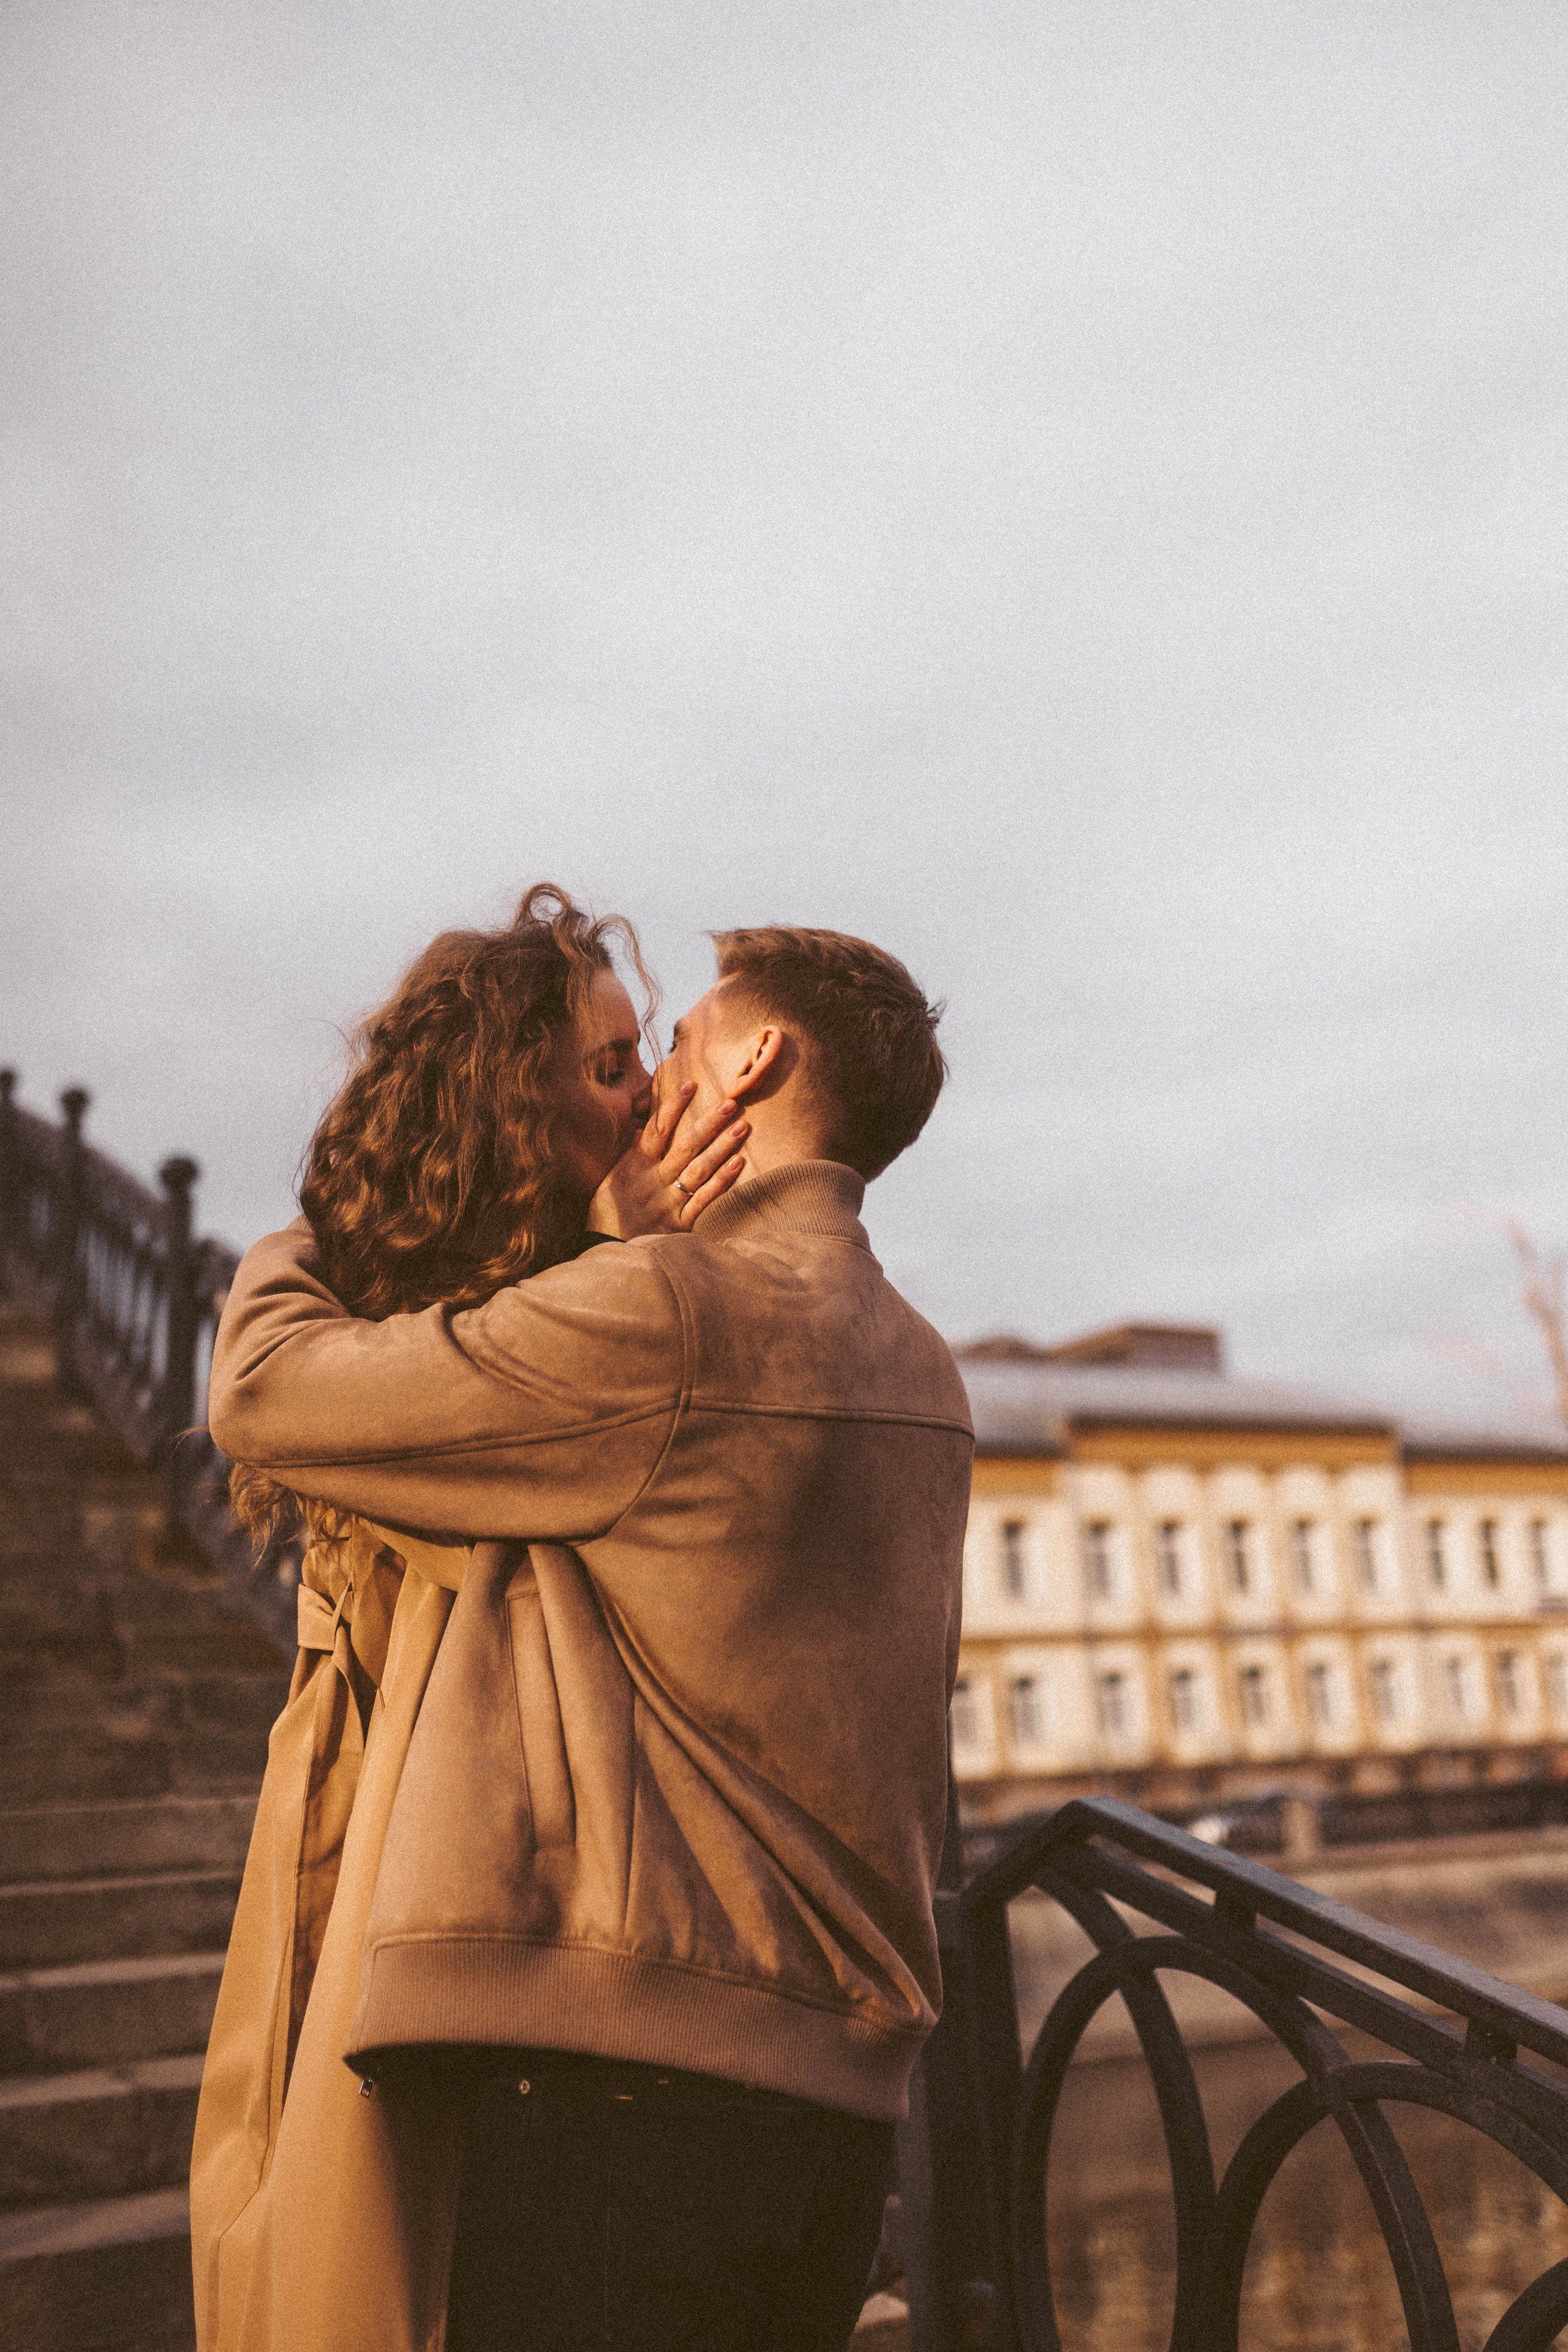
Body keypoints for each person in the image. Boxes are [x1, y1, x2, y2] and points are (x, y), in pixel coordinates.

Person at [203, 915, 973, 2352]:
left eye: (674, 1047)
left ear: (754, 1060)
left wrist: (365, 1188)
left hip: (633, 2096)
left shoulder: (666, 1311)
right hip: (845, 2111)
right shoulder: (925, 1364)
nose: (652, 1083)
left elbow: (262, 1390)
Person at [191, 885, 748, 2352]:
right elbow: (259, 1390)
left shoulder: (578, 1321)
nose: (647, 1105)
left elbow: (268, 1375)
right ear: (511, 1104)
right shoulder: (485, 1335)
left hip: (498, 1914)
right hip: (408, 1872)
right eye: (609, 1066)